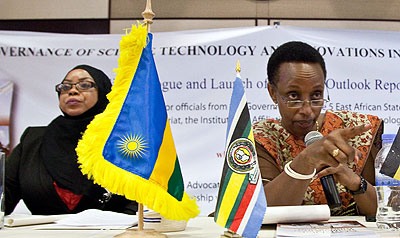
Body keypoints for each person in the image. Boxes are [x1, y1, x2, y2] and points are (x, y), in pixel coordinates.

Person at [253, 41, 383, 216]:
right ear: (272, 92)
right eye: (293, 96)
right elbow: (260, 212)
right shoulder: (262, 137)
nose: (307, 110)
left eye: (316, 95)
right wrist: (306, 160)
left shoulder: (359, 129)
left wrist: (356, 183)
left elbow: (388, 211)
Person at [5, 65, 137, 215]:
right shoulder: (32, 140)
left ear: (103, 93)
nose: (72, 91)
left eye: (85, 85)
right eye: (65, 86)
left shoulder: (124, 142)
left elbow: (136, 206)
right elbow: (4, 199)